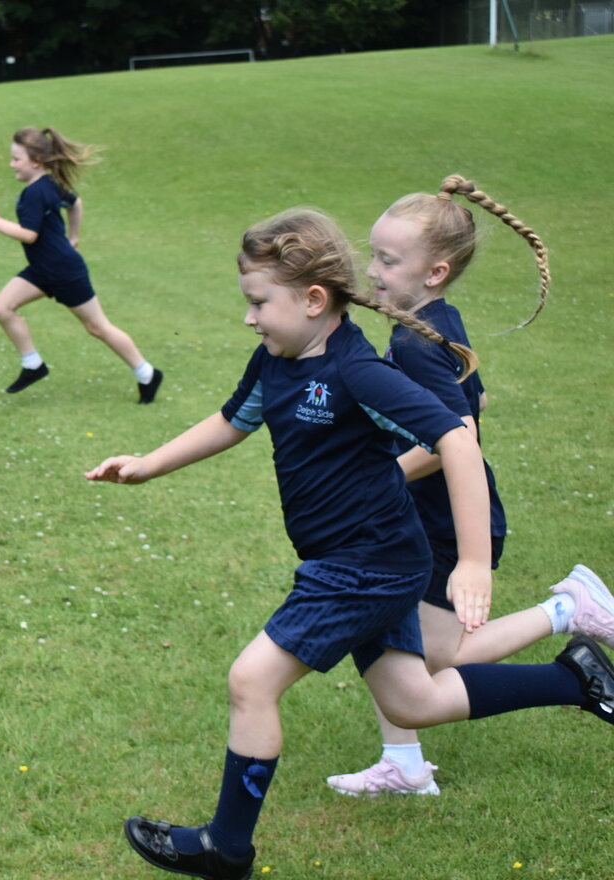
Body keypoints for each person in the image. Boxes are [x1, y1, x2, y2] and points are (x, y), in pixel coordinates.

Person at [84, 209, 614, 880]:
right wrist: (149, 462)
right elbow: (232, 420)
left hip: (364, 565)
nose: (249, 318)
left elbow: (457, 437)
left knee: (251, 681)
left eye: (258, 303)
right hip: (371, 558)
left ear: (312, 301)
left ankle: (227, 848)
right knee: (410, 702)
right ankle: (575, 678)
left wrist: (475, 560)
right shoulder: (274, 360)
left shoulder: (357, 372)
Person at [327, 174, 612, 797]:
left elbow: (455, 437)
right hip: (422, 515)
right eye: (372, 253)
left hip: (446, 520)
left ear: (435, 273)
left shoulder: (415, 343)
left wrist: (379, 478)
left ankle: (570, 609)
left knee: (442, 654)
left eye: (388, 259)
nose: (372, 269)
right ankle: (401, 763)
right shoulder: (429, 322)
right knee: (381, 629)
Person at [0, 126, 162, 400]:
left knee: (98, 327)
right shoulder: (50, 184)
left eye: (16, 159)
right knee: (2, 307)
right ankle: (33, 365)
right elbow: (76, 204)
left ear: (35, 161)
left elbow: (30, 235)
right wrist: (72, 237)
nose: (11, 164)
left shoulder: (35, 193)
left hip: (63, 271)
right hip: (43, 269)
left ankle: (147, 373)